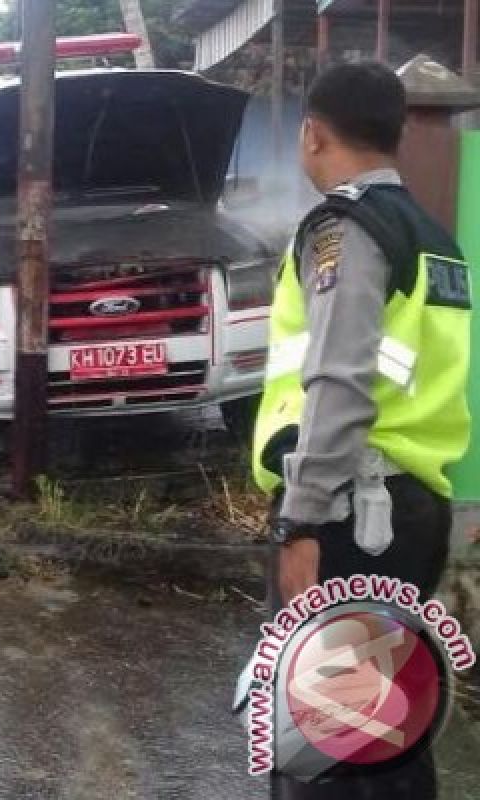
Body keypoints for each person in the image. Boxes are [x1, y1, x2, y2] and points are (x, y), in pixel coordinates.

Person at [252, 62, 472, 798]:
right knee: (389, 728)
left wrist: (301, 520)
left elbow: (340, 381)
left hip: (350, 513)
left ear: (312, 133)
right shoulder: (433, 237)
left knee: (322, 747)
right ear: (399, 133)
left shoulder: (346, 230)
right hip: (412, 507)